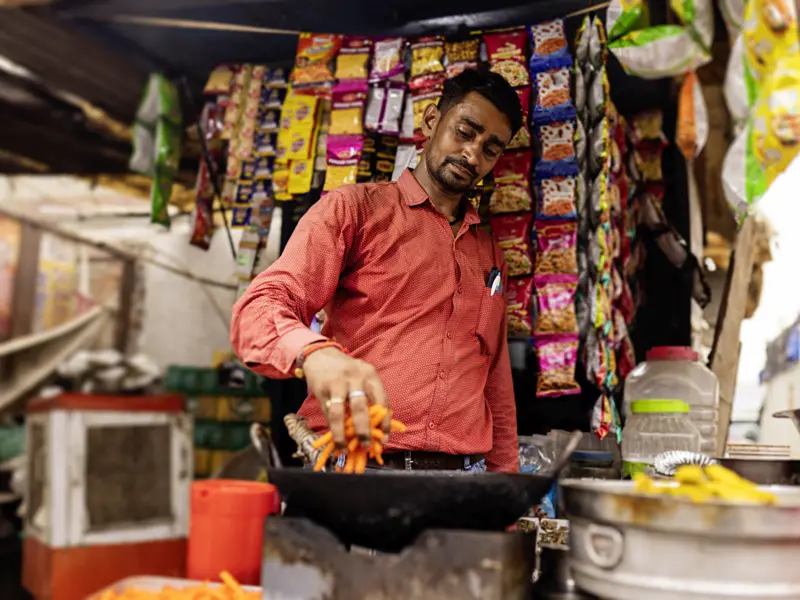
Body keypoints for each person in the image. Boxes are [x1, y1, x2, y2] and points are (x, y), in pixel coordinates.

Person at [231, 67, 523, 473]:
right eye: (465, 132)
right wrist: (314, 353)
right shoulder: (355, 209)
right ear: (431, 121)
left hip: (462, 482)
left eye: (491, 148)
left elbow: (495, 379)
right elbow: (260, 307)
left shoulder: (489, 251)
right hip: (356, 468)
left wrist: (505, 490)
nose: (473, 154)